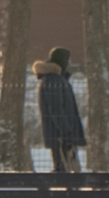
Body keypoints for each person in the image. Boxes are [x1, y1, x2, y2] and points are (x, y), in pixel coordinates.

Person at [35, 46, 86, 174]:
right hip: (62, 137)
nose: (69, 64)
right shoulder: (54, 80)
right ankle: (70, 193)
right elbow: (56, 109)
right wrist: (66, 131)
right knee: (67, 170)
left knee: (69, 171)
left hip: (62, 135)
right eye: (68, 61)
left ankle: (71, 192)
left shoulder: (56, 80)